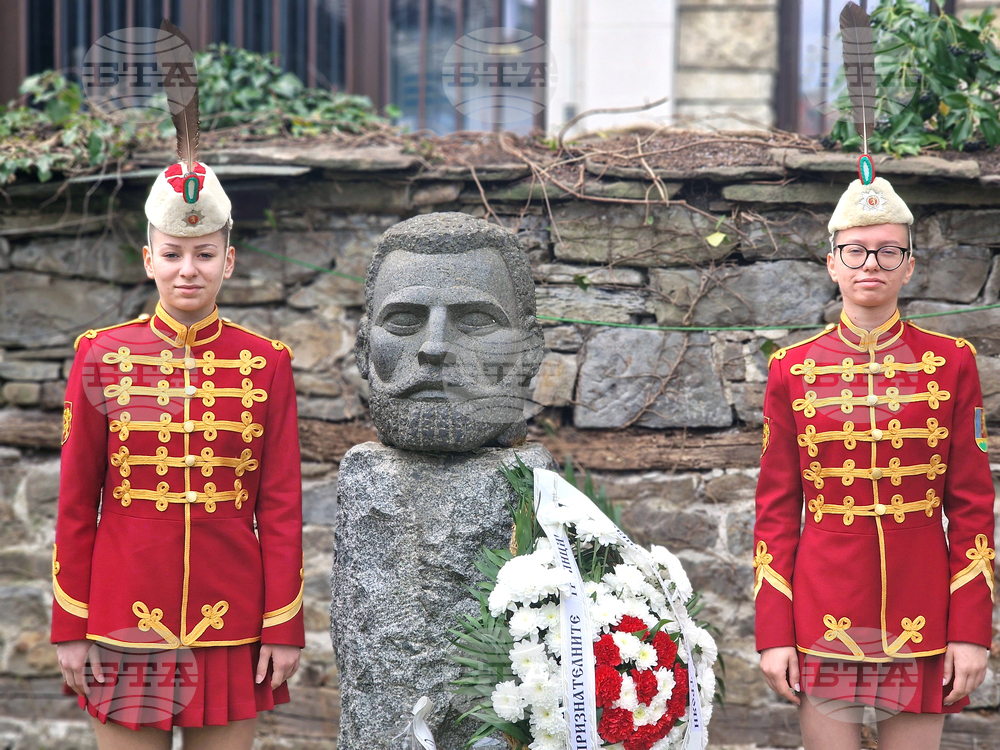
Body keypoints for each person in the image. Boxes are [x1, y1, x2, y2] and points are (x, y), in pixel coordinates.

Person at [51, 155, 305, 749]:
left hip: (233, 620)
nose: (188, 270)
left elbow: (281, 506)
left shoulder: (267, 363)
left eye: (205, 254)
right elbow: (74, 503)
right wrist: (70, 625)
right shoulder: (101, 357)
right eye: (172, 254)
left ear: (229, 260)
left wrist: (283, 626)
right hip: (120, 620)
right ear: (149, 260)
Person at [753, 176, 994, 750]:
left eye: (889, 251)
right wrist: (773, 634)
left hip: (922, 607)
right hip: (823, 610)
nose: (872, 264)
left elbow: (973, 507)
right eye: (855, 251)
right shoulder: (791, 368)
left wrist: (971, 632)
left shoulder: (951, 363)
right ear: (832, 263)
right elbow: (776, 511)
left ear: (909, 266)